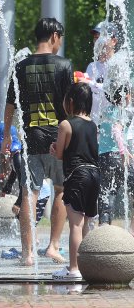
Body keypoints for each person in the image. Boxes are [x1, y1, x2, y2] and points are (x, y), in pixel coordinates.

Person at [3, 17, 73, 266]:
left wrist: (7, 136)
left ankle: (28, 253)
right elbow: (70, 105)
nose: (60, 43)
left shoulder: (20, 66)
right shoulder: (64, 65)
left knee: (28, 192)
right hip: (59, 137)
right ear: (54, 36)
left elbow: (10, 103)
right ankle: (53, 247)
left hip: (31, 137)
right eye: (60, 38)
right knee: (61, 190)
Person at [49, 83, 100, 281]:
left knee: (76, 226)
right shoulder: (92, 124)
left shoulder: (65, 124)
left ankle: (74, 269)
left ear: (70, 101)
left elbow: (61, 154)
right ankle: (85, 267)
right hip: (94, 174)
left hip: (77, 176)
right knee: (86, 224)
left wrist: (54, 149)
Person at [97, 86, 132, 226]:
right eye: (130, 93)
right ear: (125, 96)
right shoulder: (126, 113)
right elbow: (117, 130)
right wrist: (123, 151)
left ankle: (104, 224)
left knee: (105, 191)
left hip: (103, 156)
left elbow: (100, 134)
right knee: (114, 190)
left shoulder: (104, 112)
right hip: (117, 156)